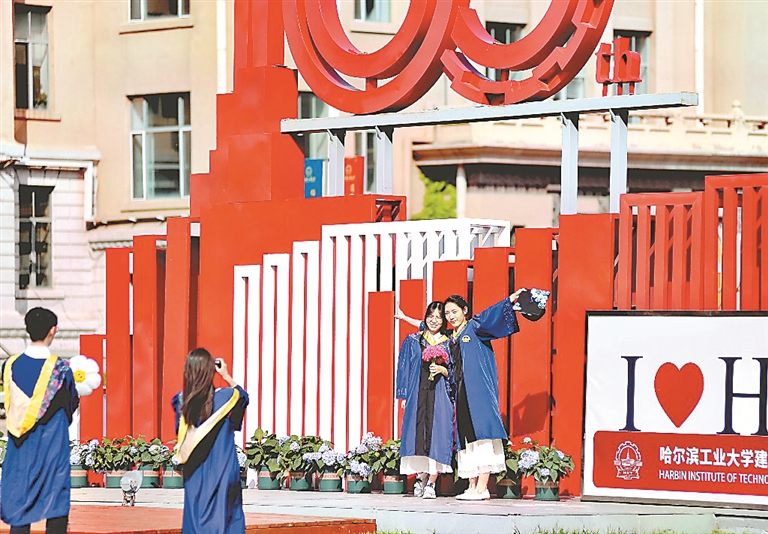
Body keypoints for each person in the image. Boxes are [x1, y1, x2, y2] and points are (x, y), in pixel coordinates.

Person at [1, 307, 79, 534]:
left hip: (20, 446)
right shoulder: (61, 370)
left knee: (20, 501)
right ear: (53, 331)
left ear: (27, 330)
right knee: (55, 503)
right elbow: (71, 404)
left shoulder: (9, 365)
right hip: (52, 446)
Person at [444, 290, 525, 501]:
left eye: (454, 311)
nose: (451, 316)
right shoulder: (452, 338)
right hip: (462, 393)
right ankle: (471, 485)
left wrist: (510, 300)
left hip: (478, 393)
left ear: (465, 311)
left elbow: (491, 314)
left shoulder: (474, 327)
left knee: (482, 436)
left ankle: (482, 487)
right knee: (467, 438)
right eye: (447, 313)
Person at [172, 348, 249, 534]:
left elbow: (180, 432)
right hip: (223, 471)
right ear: (210, 371)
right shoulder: (227, 397)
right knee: (227, 519)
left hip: (195, 475)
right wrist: (226, 375)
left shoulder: (182, 403)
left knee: (195, 520)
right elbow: (243, 397)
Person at [395, 302, 454, 499]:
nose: (434, 320)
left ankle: (432, 482)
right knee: (417, 434)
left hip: (441, 394)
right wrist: (403, 395)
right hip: (417, 393)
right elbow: (404, 368)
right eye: (431, 316)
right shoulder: (413, 340)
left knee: (438, 435)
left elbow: (456, 370)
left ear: (444, 320)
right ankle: (421, 477)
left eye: (438, 317)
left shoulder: (449, 343)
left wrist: (443, 370)